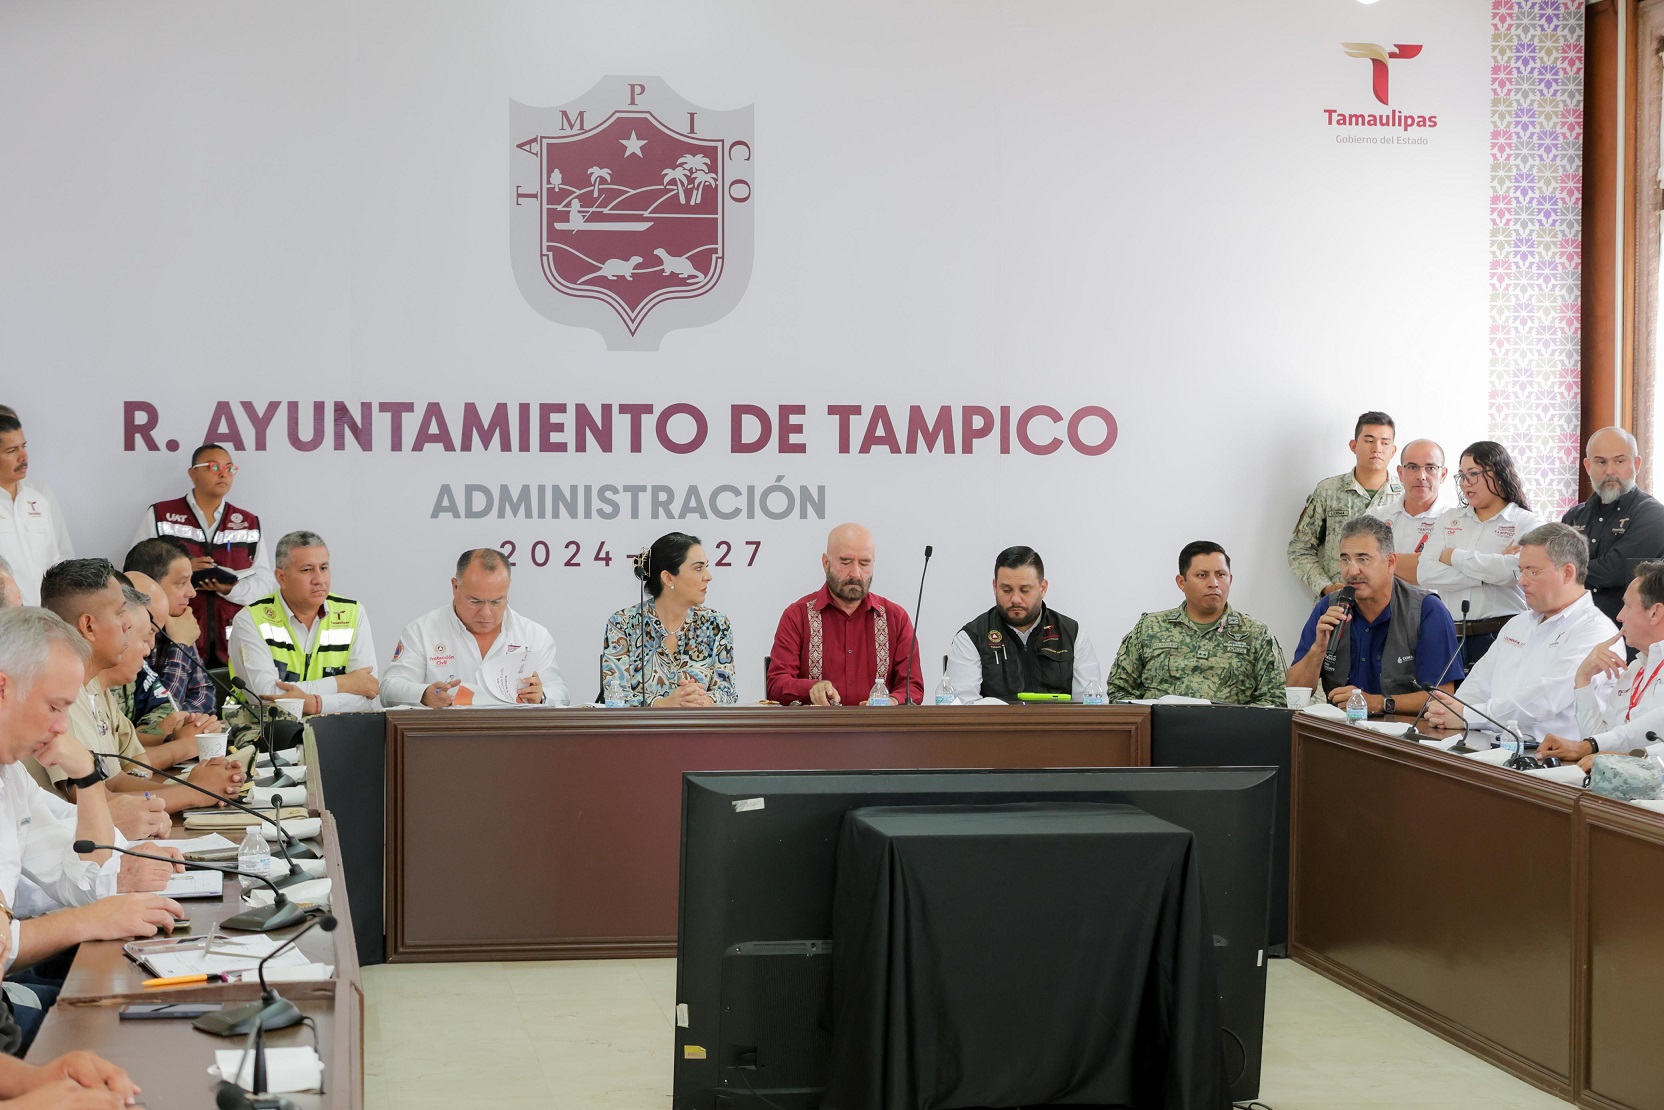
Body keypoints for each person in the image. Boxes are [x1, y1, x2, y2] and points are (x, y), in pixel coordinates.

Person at [0, 607, 186, 1058]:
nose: (61, 728)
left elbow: (87, 876)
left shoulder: (11, 776)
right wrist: (90, 920)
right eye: (54, 707)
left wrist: (86, 775)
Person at [31, 560, 241, 823]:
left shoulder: (92, 686)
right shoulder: (61, 693)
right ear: (89, 626)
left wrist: (200, 788)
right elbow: (91, 800)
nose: (126, 627)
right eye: (120, 614)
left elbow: (116, 780)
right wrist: (195, 793)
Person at [1422, 524, 1617, 742]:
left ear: (1567, 572)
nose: (1522, 581)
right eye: (1520, 570)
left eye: (1533, 572)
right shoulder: (1518, 623)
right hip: (1488, 745)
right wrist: (1450, 710)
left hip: (1550, 755)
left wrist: (1467, 715)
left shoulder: (1595, 631)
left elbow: (1544, 700)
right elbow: (1478, 683)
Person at [1286, 515, 1463, 717]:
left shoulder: (1427, 610)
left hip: (1405, 732)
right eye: (1345, 560)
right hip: (1341, 729)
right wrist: (1318, 649)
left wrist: (1379, 703)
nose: (1352, 571)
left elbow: (1442, 697)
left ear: (1391, 562)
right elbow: (1294, 691)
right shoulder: (1329, 607)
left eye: (1363, 559)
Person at [1399, 440, 1544, 666]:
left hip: (1504, 631)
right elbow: (1425, 573)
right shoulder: (1450, 518)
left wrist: (1452, 556)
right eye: (1462, 476)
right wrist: (1487, 575)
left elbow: (1513, 572)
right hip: (1450, 633)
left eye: (1473, 474)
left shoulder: (1527, 522)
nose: (1465, 483)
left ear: (1499, 474)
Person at [132, 444, 276, 666]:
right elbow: (137, 575)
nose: (223, 474)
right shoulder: (161, 514)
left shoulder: (248, 522)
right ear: (193, 473)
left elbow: (265, 583)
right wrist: (184, 569)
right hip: (173, 637)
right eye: (214, 467)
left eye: (230, 468)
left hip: (232, 642)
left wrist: (231, 589)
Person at [381, 549, 571, 708]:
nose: (486, 613)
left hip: (513, 738)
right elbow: (389, 690)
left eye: (496, 601)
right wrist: (423, 694)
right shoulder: (422, 631)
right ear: (455, 587)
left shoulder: (534, 635)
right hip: (445, 738)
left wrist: (541, 696)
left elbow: (561, 693)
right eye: (475, 601)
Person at [1106, 541, 1286, 706]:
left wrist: (1233, 721)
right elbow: (1119, 690)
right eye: (1202, 575)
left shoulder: (1256, 633)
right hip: (1161, 728)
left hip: (1230, 729)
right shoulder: (1150, 627)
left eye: (1221, 575)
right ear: (1181, 582)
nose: (1213, 583)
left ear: (1230, 579)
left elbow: (1276, 699)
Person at [766, 523, 923, 705]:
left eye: (864, 563)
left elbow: (913, 687)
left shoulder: (896, 618)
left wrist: (893, 701)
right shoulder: (797, 616)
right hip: (817, 724)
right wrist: (811, 688)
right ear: (826, 563)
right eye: (846, 562)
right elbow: (776, 684)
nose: (855, 573)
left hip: (879, 724)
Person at [227, 531, 380, 714]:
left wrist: (315, 704)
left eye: (323, 568)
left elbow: (368, 692)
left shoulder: (353, 613)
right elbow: (266, 696)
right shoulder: (250, 619)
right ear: (281, 577)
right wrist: (342, 683)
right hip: (268, 729)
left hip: (337, 728)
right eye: (307, 570)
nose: (319, 580)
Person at [1538, 561, 1664, 769]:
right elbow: (1595, 745)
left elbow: (1595, 746)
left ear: (1655, 613)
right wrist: (1583, 680)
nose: (1620, 616)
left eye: (1628, 606)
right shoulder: (1634, 670)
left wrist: (1596, 748)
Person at [943, 546, 1101, 703]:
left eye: (1025, 590)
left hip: (1057, 720)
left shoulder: (1071, 634)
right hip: (995, 720)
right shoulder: (972, 637)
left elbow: (1090, 703)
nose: (1015, 599)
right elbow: (962, 706)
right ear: (995, 587)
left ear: (1043, 588)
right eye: (1006, 590)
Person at [600, 533, 737, 706]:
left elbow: (727, 693)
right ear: (668, 578)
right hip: (642, 725)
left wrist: (702, 700)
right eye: (698, 568)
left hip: (700, 723)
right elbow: (614, 696)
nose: (708, 576)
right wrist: (662, 704)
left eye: (706, 567)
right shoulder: (623, 623)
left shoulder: (716, 624)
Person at [1288, 411, 1402, 597]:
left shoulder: (1405, 495)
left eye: (1384, 442)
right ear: (1353, 446)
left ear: (1393, 450)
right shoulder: (1328, 491)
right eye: (1369, 440)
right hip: (1339, 602)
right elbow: (1299, 549)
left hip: (1390, 603)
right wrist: (1326, 588)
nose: (1377, 448)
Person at [1561, 426, 1664, 623]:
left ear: (1636, 464)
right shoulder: (1574, 516)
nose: (1610, 471)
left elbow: (1612, 571)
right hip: (1571, 627)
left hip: (1626, 631)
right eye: (1601, 462)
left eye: (1619, 461)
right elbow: (1553, 571)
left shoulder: (1653, 515)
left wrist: (1563, 569)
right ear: (1588, 466)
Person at [122, 538, 215, 717]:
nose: (192, 593)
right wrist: (180, 647)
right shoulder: (127, 634)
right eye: (181, 583)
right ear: (149, 585)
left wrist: (182, 722)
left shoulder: (179, 621)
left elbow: (205, 695)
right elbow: (159, 713)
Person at [0, 413, 73, 607]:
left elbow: (53, 565)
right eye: (11, 451)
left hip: (41, 616)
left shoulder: (38, 501)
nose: (23, 457)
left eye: (23, 446)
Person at [1369, 438, 1452, 556]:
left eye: (1430, 468)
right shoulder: (1376, 518)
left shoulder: (1455, 523)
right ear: (1400, 473)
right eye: (1413, 467)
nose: (1421, 476)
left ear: (1443, 474)